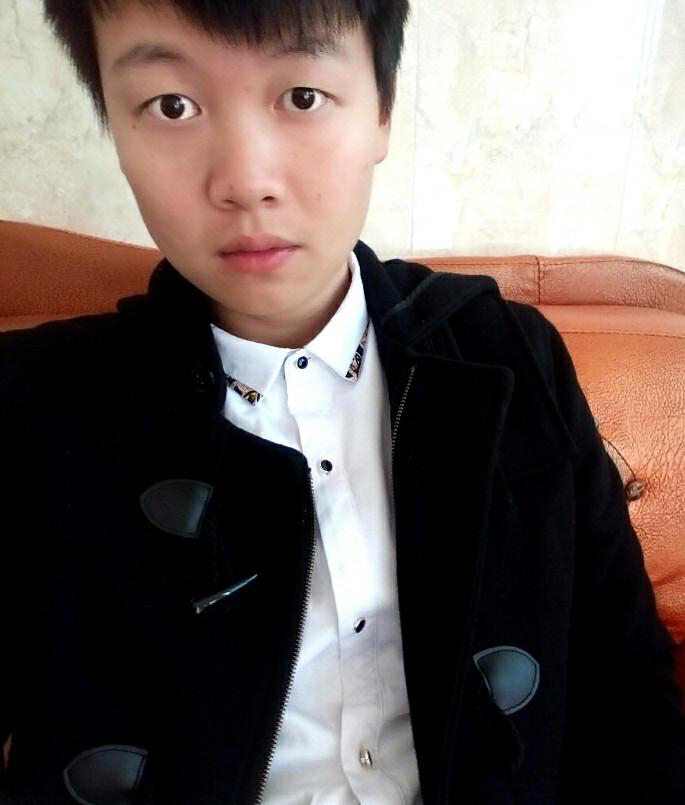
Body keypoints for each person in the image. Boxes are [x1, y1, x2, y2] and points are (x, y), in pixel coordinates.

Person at [1, 1, 684, 803]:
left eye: (301, 96)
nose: (246, 181)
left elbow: (625, 686)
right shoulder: (31, 402)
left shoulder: (507, 354)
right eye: (171, 105)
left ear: (381, 111)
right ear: (116, 131)